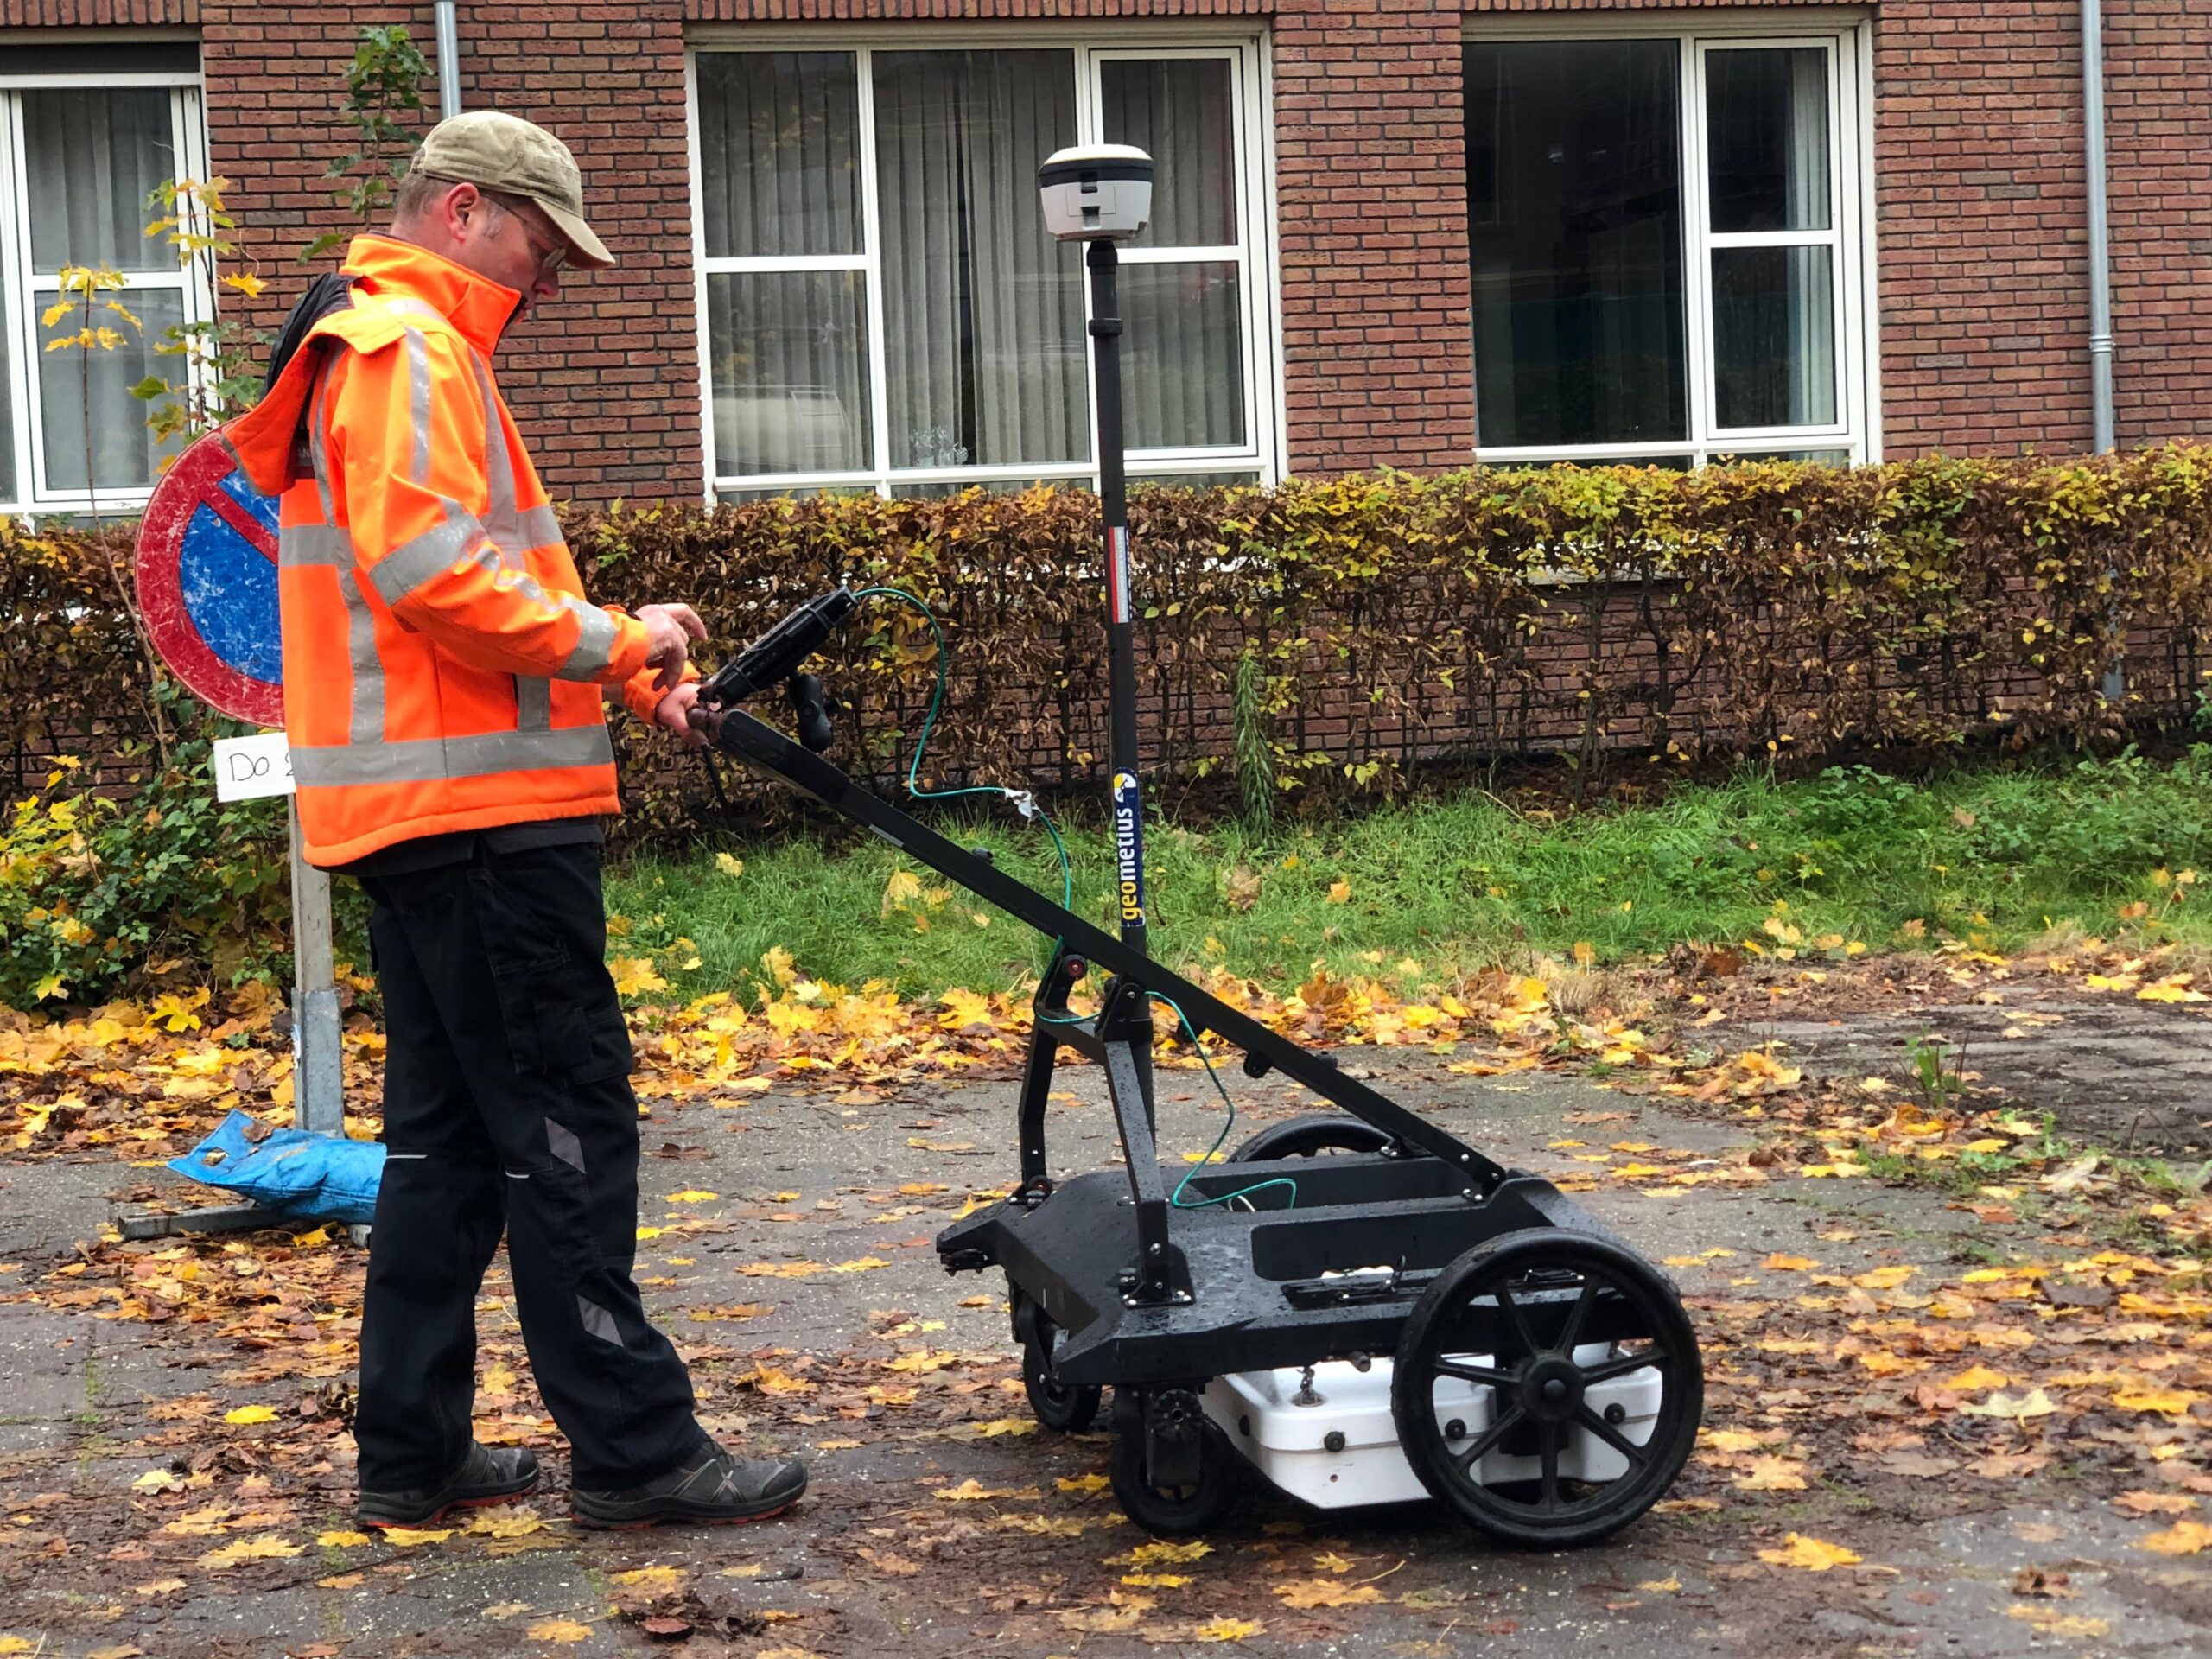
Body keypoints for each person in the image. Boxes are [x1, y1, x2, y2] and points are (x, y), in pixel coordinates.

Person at [225, 111, 806, 1531]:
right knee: (562, 1132)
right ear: (465, 210)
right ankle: (636, 1451)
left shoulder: (366, 351)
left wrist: (623, 664)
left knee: (447, 1148)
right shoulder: (409, 348)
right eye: (538, 253)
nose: (541, 288)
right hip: (480, 824)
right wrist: (616, 639)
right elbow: (440, 576)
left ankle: (410, 1455)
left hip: (414, 818)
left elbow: (442, 594)